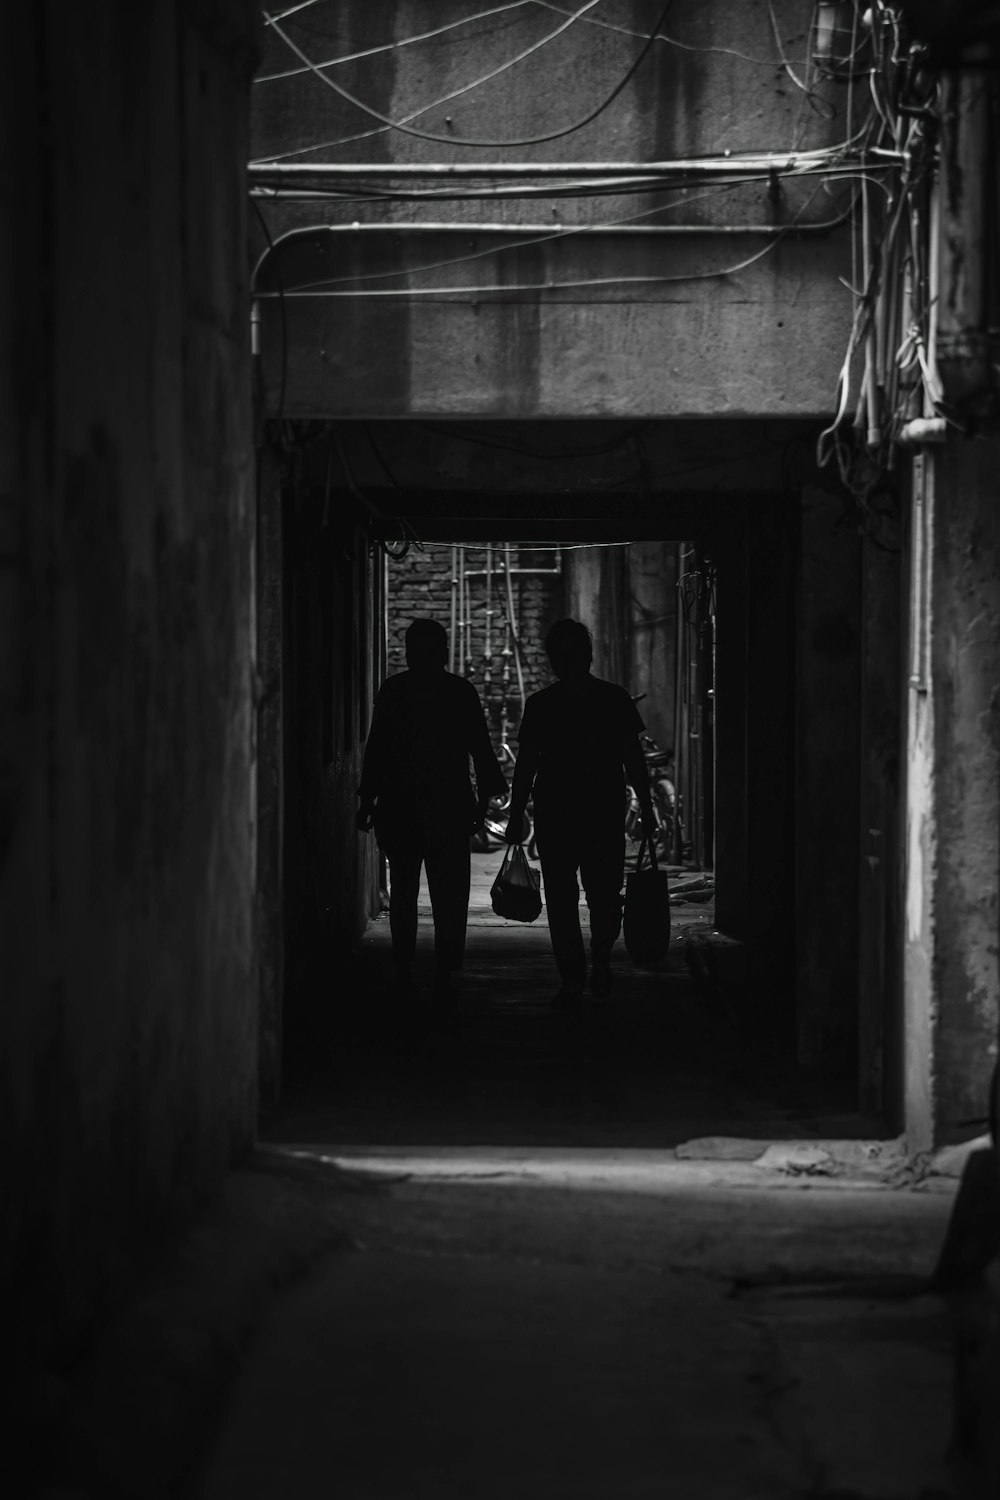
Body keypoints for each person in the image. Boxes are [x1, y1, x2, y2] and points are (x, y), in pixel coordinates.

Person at [504, 618, 655, 1007]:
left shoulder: (541, 705)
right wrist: (647, 806)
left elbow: (526, 766)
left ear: (554, 660)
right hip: (603, 812)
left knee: (561, 897)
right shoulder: (614, 698)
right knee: (605, 893)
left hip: (556, 816)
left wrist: (516, 812)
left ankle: (572, 978)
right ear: (588, 657)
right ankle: (601, 955)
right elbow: (633, 758)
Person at [357, 618, 507, 1001]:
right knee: (450, 892)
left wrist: (366, 800)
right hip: (449, 805)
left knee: (404, 890)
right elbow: (480, 748)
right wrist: (485, 799)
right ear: (443, 652)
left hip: (401, 805)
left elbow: (377, 750)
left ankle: (404, 963)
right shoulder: (459, 691)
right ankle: (446, 965)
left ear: (408, 651)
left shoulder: (394, 690)